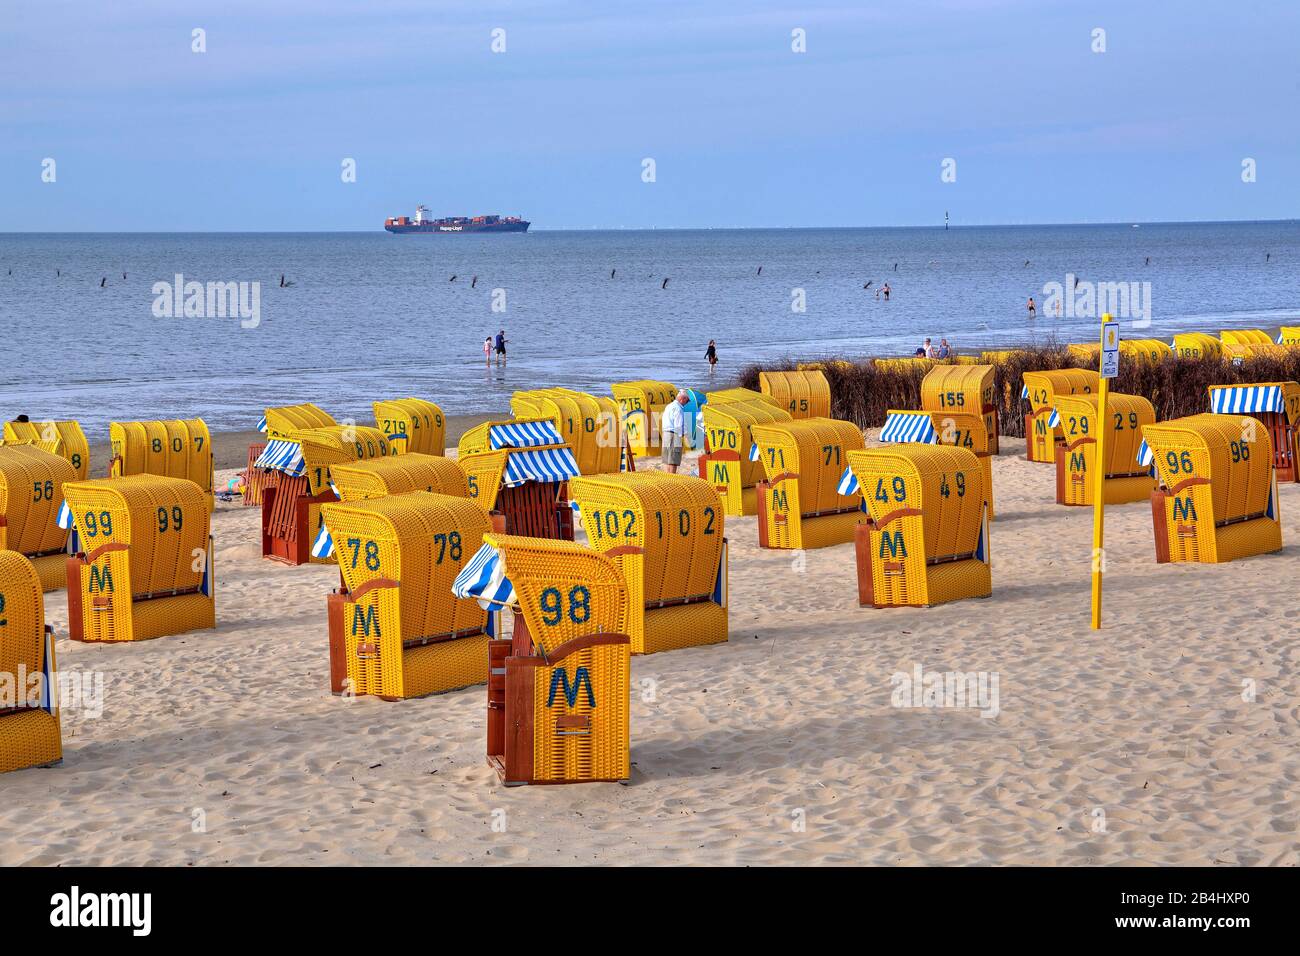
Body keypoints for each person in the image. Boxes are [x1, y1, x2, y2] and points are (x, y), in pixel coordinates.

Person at [660, 389, 688, 474]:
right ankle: (672, 478)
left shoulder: (669, 406)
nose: (686, 403)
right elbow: (678, 425)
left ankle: (667, 478)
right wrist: (682, 436)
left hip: (665, 434)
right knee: (673, 459)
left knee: (666, 459)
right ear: (682, 399)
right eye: (686, 401)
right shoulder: (678, 408)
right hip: (674, 434)